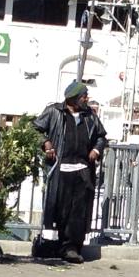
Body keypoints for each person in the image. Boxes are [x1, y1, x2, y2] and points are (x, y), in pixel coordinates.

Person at [33, 80, 108, 264]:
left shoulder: (89, 115)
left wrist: (96, 150)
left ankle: (72, 248)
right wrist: (46, 143)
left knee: (78, 212)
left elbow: (100, 136)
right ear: (73, 98)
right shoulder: (54, 112)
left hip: (82, 170)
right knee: (61, 209)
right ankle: (56, 245)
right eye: (84, 96)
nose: (86, 99)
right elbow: (35, 130)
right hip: (60, 169)